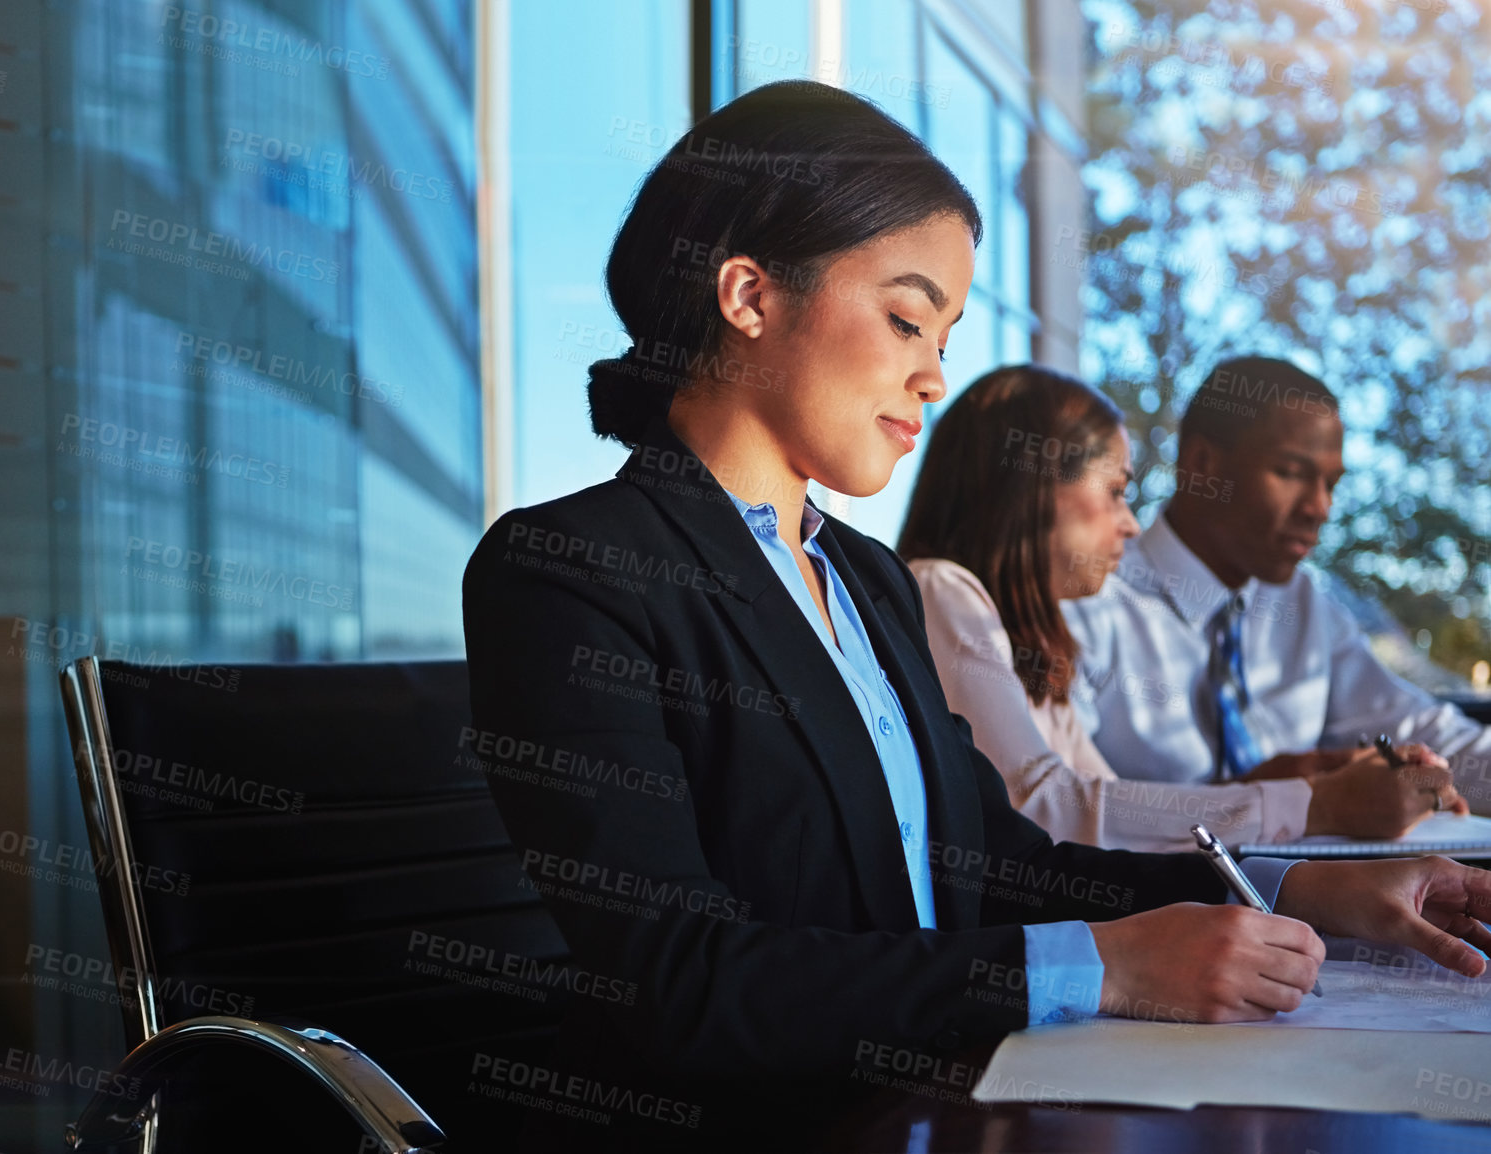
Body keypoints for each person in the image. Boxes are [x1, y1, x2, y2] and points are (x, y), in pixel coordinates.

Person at [462, 83, 1491, 1148]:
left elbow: (996, 861)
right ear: (748, 294)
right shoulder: (571, 570)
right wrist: (1102, 962)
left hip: (935, 1101)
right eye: (907, 318)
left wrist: (1294, 894)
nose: (935, 375)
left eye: (945, 334)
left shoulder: (866, 578)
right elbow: (673, 980)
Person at [897, 364, 1456, 851]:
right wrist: (1309, 805)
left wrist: (1294, 784)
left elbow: (1107, 805)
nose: (1130, 524)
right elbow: (1045, 806)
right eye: (1115, 492)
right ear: (1031, 488)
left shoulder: (1031, 633)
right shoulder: (942, 589)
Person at [1063, 355, 1488, 823]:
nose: (1320, 507)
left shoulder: (1303, 605)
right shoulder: (1088, 598)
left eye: (1331, 484)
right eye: (1291, 472)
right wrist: (1293, 800)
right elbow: (1066, 814)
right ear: (1201, 464)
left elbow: (1427, 730)